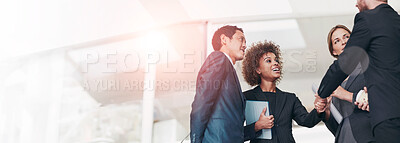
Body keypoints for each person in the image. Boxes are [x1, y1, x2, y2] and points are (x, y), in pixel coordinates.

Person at [317, 0, 400, 142]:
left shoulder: (368, 19)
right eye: (336, 41)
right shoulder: (395, 21)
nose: (357, 4)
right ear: (332, 50)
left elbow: (345, 63)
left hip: (387, 117)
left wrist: (322, 93)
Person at [242, 41, 324, 143]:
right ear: (258, 69)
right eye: (269, 61)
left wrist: (319, 110)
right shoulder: (246, 98)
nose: (275, 63)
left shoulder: (290, 98)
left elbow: (307, 121)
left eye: (276, 60)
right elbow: (234, 134)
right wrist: (257, 126)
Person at [315, 25, 374, 143]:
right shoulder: (331, 83)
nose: (343, 42)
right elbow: (338, 129)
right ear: (333, 51)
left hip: (371, 135)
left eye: (346, 37)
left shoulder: (369, 65)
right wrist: (327, 112)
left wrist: (344, 94)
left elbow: (380, 101)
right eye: (337, 41)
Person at [190, 25, 247, 143]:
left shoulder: (229, 69)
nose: (245, 45)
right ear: (224, 39)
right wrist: (195, 140)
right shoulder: (219, 58)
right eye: (241, 39)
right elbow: (203, 100)